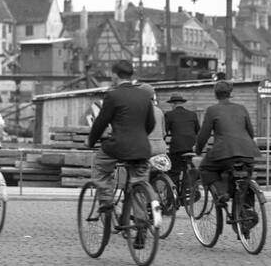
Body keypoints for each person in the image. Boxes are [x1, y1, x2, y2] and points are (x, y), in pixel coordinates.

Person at [86, 60, 156, 222]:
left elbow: (101, 122)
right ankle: (141, 227)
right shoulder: (145, 95)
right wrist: (138, 136)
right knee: (138, 184)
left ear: (115, 75)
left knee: (101, 165)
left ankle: (106, 201)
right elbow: (150, 123)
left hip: (119, 146)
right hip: (142, 148)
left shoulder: (113, 95)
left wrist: (91, 141)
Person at [194, 80, 260, 204]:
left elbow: (204, 135)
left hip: (225, 153)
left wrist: (198, 150)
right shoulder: (242, 108)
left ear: (215, 94)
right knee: (245, 180)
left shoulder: (212, 110)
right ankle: (247, 211)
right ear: (230, 93)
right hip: (247, 153)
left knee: (205, 168)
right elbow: (250, 132)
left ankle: (221, 192)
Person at [164, 93, 200, 186]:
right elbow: (198, 131)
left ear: (173, 104)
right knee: (187, 168)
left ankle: (173, 195)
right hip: (191, 147)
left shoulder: (169, 115)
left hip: (177, 148)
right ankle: (187, 189)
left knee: (174, 171)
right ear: (182, 103)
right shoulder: (192, 114)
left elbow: (165, 132)